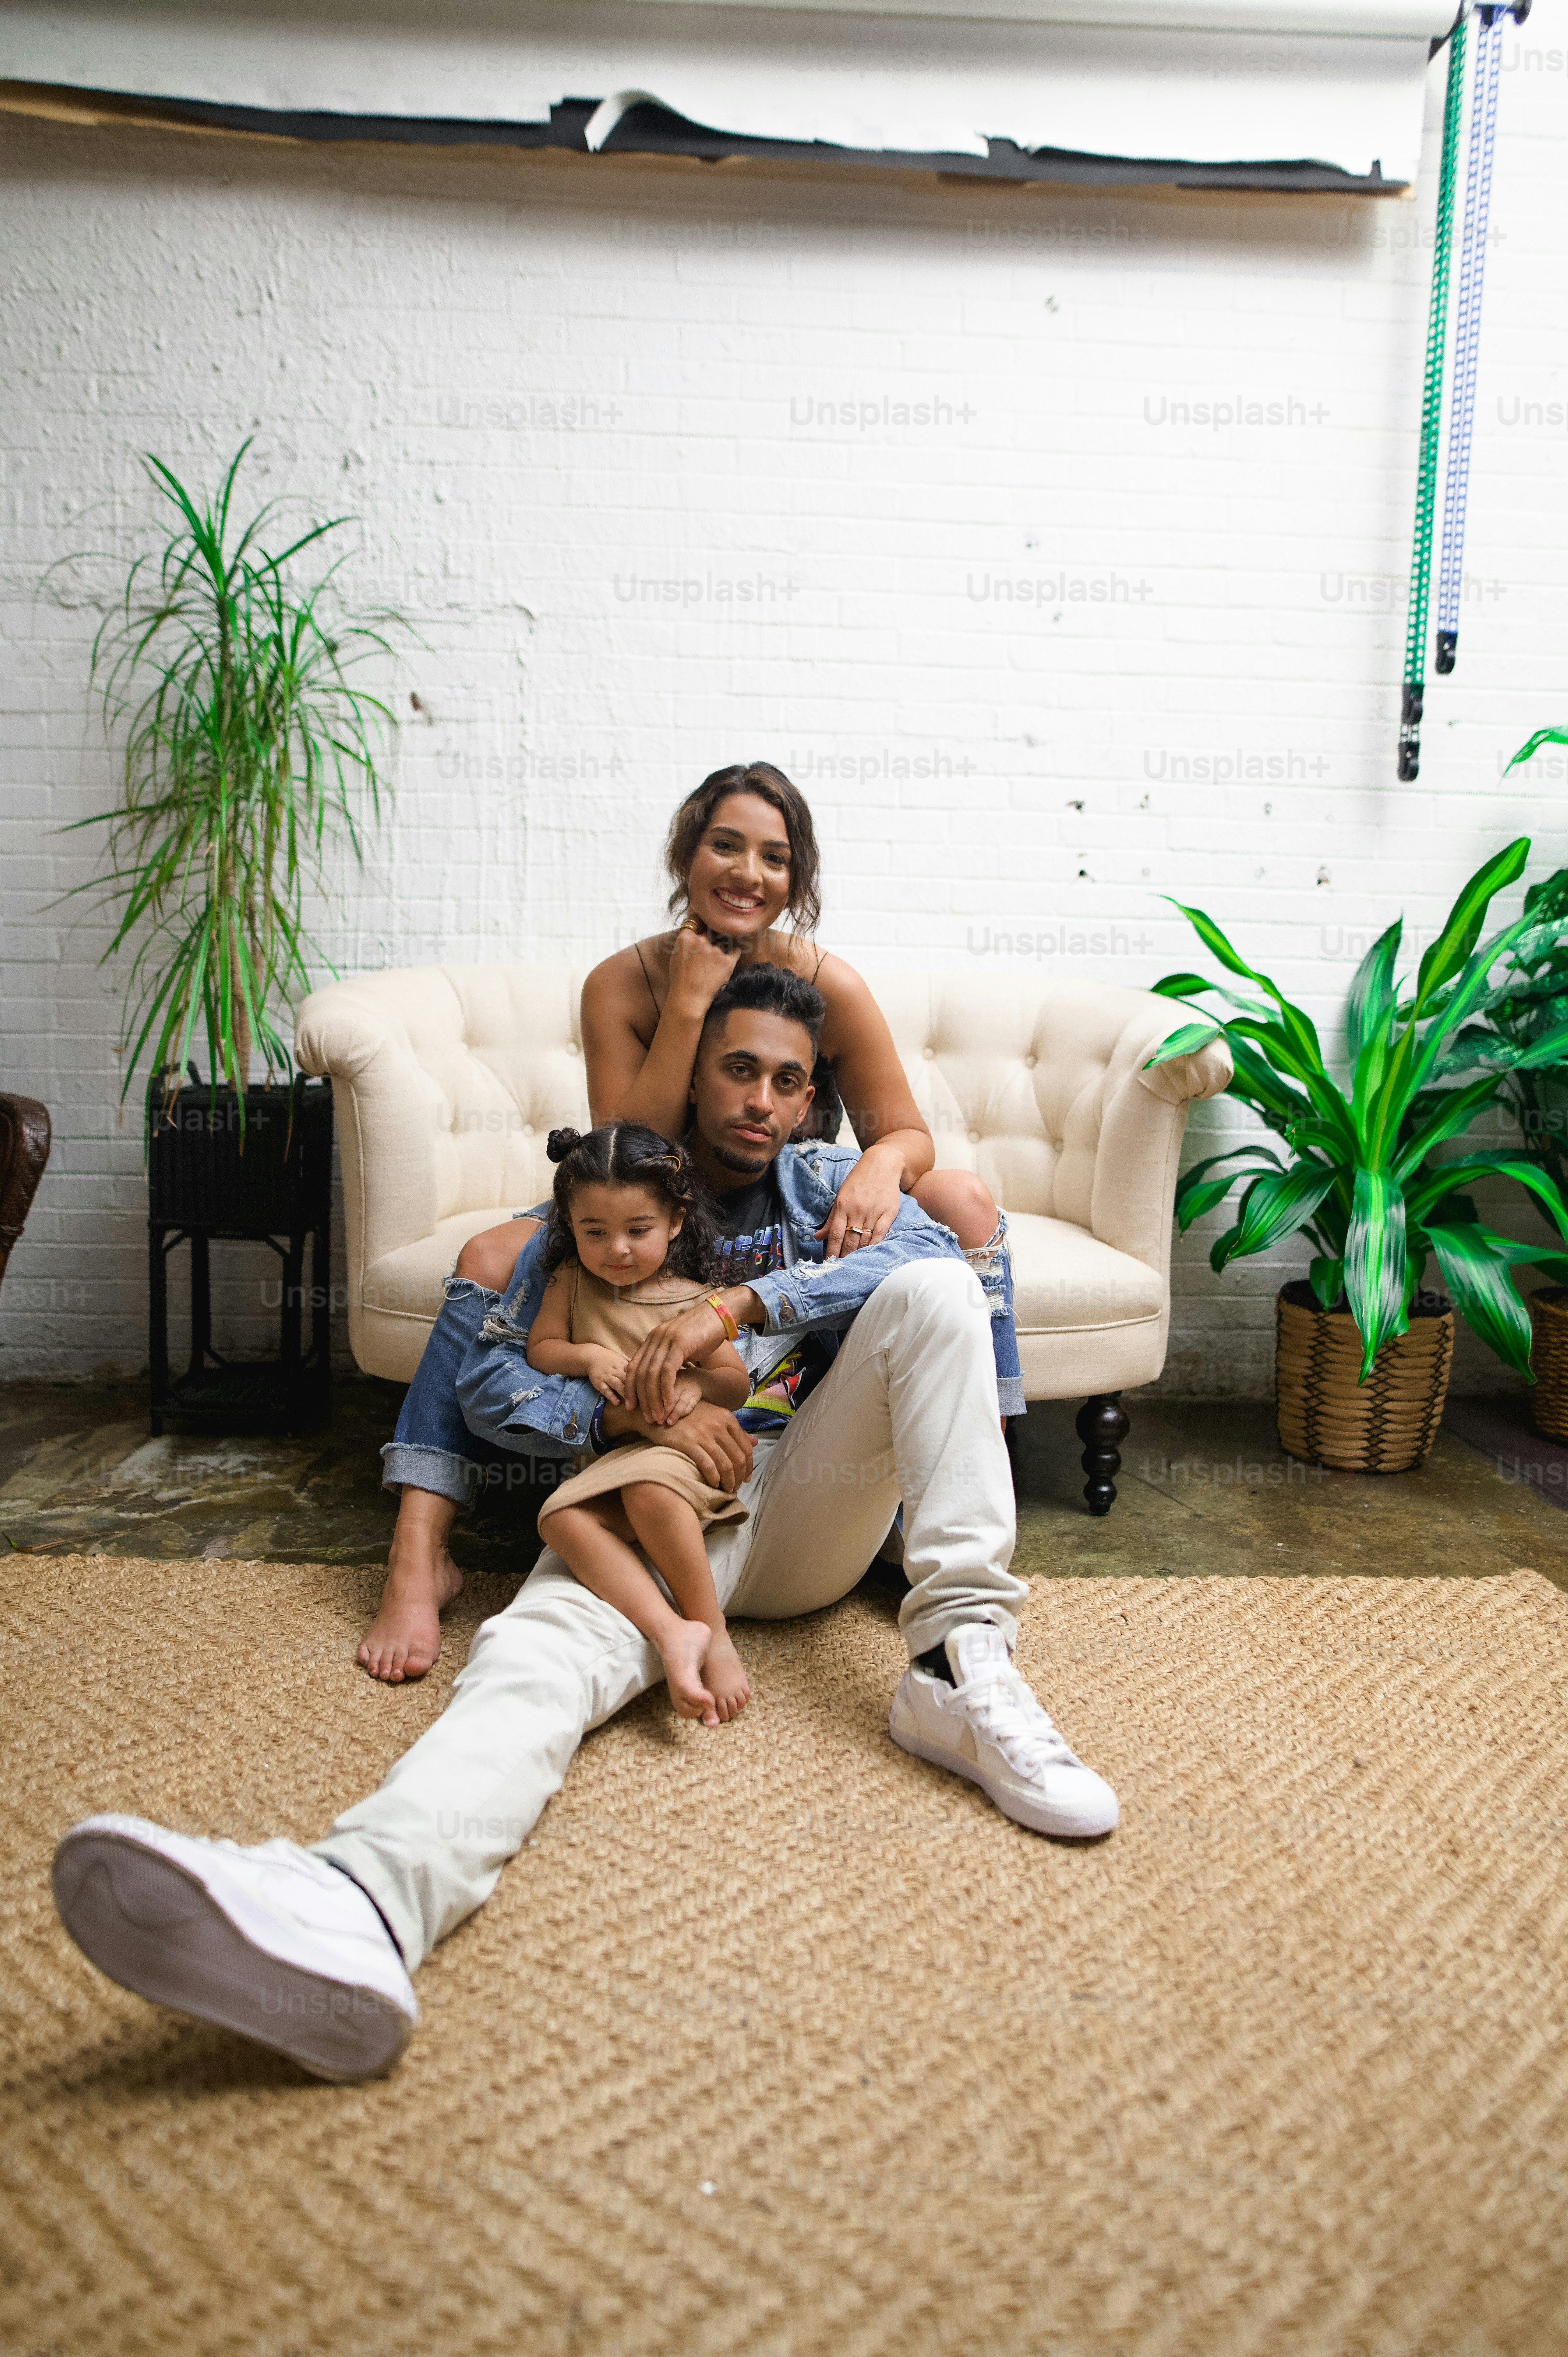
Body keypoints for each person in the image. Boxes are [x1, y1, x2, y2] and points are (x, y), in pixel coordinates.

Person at [51, 965, 1118, 2087]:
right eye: (740, 1069)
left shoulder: (824, 1187)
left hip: (804, 1495)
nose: (761, 1097)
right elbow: (493, 1380)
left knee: (938, 1289)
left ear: (810, 1104)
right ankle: (357, 1900)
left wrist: (742, 1305)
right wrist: (610, 1403)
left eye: (787, 1081)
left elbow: (934, 1255)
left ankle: (955, 1662)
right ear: (699, 1076)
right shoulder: (601, 1212)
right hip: (647, 1505)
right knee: (530, 1659)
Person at [358, 760, 1022, 1684]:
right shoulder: (619, 985)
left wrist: (875, 1164)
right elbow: (625, 1159)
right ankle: (420, 1544)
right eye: (725, 845)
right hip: (651, 1203)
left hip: (774, 1214)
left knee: (956, 1204)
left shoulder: (823, 984)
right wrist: (687, 1006)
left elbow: (906, 1130)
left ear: (799, 878)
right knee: (490, 1252)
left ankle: (952, 1472)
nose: (749, 872)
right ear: (684, 853)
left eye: (775, 857)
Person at [525, 1121, 754, 1727]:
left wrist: (696, 1383)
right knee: (561, 1519)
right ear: (569, 1226)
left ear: (676, 1221)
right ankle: (670, 1630)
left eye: (638, 1230)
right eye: (593, 1232)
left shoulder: (695, 1300)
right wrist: (588, 1356)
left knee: (649, 1489)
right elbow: (542, 1349)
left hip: (678, 1460)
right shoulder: (571, 1281)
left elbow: (737, 1385)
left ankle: (716, 1632)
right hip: (612, 1457)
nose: (616, 1249)